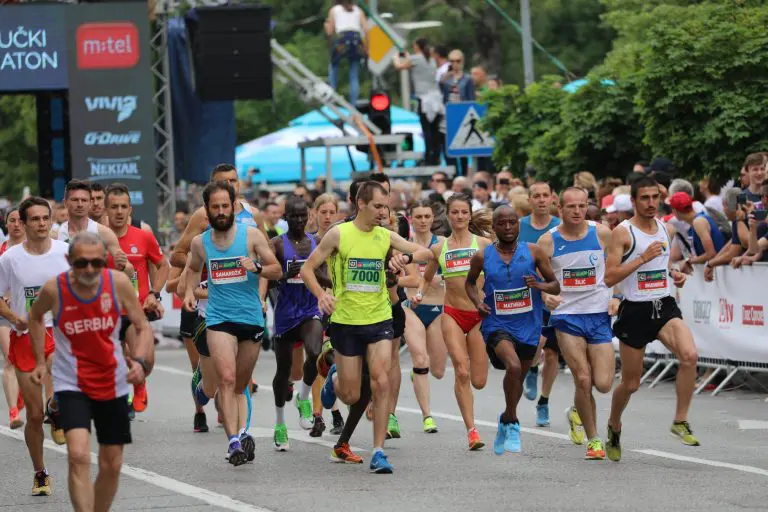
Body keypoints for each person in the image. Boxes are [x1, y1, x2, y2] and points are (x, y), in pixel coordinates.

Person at [301, 181, 434, 474]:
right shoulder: (339, 234)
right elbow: (307, 269)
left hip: (379, 319)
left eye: (386, 207)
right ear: (361, 204)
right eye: (377, 206)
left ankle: (378, 452)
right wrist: (321, 295)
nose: (383, 212)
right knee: (349, 394)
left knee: (380, 381)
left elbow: (427, 254)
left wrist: (407, 257)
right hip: (346, 322)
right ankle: (334, 375)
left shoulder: (385, 237)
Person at [27, 231, 155, 511]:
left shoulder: (117, 283)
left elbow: (142, 325)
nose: (89, 270)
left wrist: (141, 362)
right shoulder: (55, 289)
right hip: (71, 381)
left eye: (97, 263)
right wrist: (39, 361)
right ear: (68, 260)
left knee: (112, 464)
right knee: (79, 455)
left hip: (113, 380)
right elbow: (35, 317)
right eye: (82, 263)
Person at [183, 181, 281, 466]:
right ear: (207, 210)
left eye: (225, 206)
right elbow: (190, 268)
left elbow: (275, 270)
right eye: (215, 207)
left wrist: (258, 267)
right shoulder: (201, 242)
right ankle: (234, 441)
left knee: (240, 385)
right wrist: (189, 292)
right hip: (218, 318)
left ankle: (239, 431)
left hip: (250, 318)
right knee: (226, 379)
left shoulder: (251, 236)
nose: (221, 211)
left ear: (233, 206)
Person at [604, 176, 700, 462]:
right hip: (634, 310)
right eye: (643, 198)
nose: (650, 203)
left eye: (654, 198)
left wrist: (675, 275)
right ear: (633, 201)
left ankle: (679, 420)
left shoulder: (666, 228)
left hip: (664, 306)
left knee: (690, 355)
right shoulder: (622, 232)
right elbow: (610, 277)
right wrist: (642, 258)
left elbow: (663, 265)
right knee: (632, 383)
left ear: (660, 199)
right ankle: (614, 425)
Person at [465, 206, 559, 454]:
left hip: (528, 324)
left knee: (517, 380)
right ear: (494, 227)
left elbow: (556, 286)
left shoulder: (533, 251)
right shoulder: (483, 256)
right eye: (502, 224)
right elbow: (470, 283)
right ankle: (514, 423)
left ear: (518, 225)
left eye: (512, 223)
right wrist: (478, 303)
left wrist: (539, 284)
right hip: (497, 323)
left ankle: (505, 419)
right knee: (514, 367)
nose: (508, 228)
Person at [538, 188, 615, 459]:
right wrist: (547, 295)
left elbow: (618, 269)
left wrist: (617, 298)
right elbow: (540, 280)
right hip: (566, 316)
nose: (577, 211)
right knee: (583, 378)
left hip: (598, 314)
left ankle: (576, 411)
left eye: (582, 206)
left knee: (603, 384)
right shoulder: (548, 242)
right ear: (560, 208)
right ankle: (594, 440)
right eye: (571, 206)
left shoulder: (603, 233)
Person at [0, 197, 70, 495]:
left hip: (61, 332)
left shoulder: (66, 252)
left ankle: (58, 406)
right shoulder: (10, 259)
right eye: (35, 219)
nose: (42, 224)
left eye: (46, 218)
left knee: (60, 369)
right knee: (33, 415)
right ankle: (40, 472)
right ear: (24, 224)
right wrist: (15, 318)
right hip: (26, 337)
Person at [413, 194, 492, 450]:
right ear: (448, 215)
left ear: (470, 215)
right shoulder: (440, 248)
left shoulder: (483, 244)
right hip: (452, 313)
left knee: (479, 381)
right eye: (454, 212)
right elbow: (426, 276)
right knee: (461, 370)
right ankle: (472, 431)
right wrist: (420, 293)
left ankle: (472, 425)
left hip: (479, 316)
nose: (459, 217)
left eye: (463, 212)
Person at [268, 197, 329, 450]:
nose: (299, 220)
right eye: (293, 216)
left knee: (315, 353)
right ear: (285, 217)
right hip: (285, 313)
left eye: (303, 215)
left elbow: (326, 275)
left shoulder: (316, 243)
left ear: (309, 216)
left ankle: (303, 399)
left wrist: (309, 272)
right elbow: (269, 278)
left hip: (309, 309)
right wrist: (286, 274)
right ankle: (280, 424)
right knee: (283, 372)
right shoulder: (276, 244)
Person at [104, 184, 170, 415]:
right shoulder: (97, 239)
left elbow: (163, 266)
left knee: (147, 361)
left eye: (123, 206)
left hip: (135, 311)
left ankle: (140, 381)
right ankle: (123, 395)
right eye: (114, 207)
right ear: (105, 210)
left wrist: (155, 293)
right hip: (107, 312)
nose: (119, 212)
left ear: (130, 209)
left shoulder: (143, 237)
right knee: (112, 362)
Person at [519, 182, 565, 430]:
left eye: (545, 195)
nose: (541, 200)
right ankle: (532, 369)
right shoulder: (520, 226)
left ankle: (543, 402)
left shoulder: (560, 226)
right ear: (529, 200)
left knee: (553, 352)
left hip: (556, 292)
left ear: (553, 198)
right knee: (537, 341)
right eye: (536, 196)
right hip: (529, 294)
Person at [171, 163, 267, 269]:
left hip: (249, 284)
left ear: (239, 183)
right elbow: (177, 255)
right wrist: (205, 268)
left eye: (233, 180)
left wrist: (259, 268)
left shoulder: (253, 213)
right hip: (214, 284)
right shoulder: (203, 214)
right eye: (223, 182)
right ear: (213, 185)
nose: (229, 184)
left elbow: (268, 250)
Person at [403, 200, 445, 433]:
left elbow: (456, 272)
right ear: (411, 218)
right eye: (418, 216)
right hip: (412, 308)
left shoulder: (443, 244)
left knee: (438, 371)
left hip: (439, 309)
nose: (422, 221)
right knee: (421, 361)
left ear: (432, 219)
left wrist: (442, 279)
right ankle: (427, 416)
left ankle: (416, 374)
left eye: (426, 216)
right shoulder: (405, 246)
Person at [53, 180, 134, 279]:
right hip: (66, 291)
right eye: (75, 200)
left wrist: (123, 266)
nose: (80, 204)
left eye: (84, 200)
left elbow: (129, 271)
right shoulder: (55, 234)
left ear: (90, 203)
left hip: (96, 291)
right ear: (65, 203)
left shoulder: (104, 233)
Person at [393, 37, 442, 166]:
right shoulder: (431, 60)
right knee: (435, 130)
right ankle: (436, 157)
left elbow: (399, 66)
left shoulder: (417, 58)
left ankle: (429, 157)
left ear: (417, 47)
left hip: (425, 99)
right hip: (436, 99)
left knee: (427, 131)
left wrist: (395, 57)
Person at [0, 207, 26, 429]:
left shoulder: (35, 249)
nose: (16, 224)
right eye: (12, 220)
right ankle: (13, 412)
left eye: (20, 220)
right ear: (6, 224)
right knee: (10, 359)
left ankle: (23, 396)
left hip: (31, 313)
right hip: (5, 313)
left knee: (34, 362)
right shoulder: (1, 251)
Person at [324, 0, 367, 106]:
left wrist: (326, 27)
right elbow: (366, 30)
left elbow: (330, 32)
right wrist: (367, 48)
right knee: (354, 74)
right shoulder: (359, 10)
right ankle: (353, 103)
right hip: (356, 40)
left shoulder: (334, 10)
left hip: (342, 40)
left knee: (333, 66)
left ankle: (331, 95)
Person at [667, 192, 726, 264]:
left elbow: (711, 254)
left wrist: (690, 261)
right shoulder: (696, 222)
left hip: (718, 270)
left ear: (675, 211)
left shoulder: (698, 222)